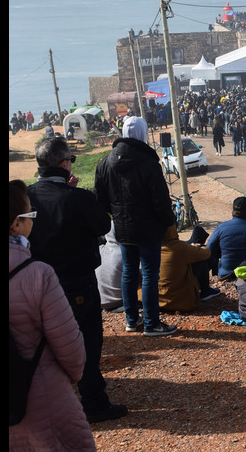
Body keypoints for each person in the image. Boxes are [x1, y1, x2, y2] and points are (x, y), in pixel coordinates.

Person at [28, 137, 128, 422]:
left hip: (36, 282)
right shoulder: (80, 199)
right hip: (77, 282)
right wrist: (76, 196)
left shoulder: (26, 196)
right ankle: (94, 401)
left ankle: (51, 400)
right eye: (70, 159)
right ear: (64, 164)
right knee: (86, 341)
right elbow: (102, 225)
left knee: (44, 342)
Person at [9, 180, 96, 450]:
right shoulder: (37, 274)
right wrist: (69, 379)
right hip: (40, 396)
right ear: (16, 224)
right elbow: (71, 349)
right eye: (30, 215)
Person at [95, 116, 179, 337]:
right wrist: (169, 221)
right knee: (150, 274)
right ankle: (152, 324)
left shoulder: (104, 163)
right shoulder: (149, 164)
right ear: (142, 134)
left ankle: (132, 320)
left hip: (122, 228)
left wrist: (118, 214)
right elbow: (161, 201)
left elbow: (101, 202)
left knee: (129, 272)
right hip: (149, 229)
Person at [158, 223, 212, 311]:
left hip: (154, 298)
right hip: (178, 300)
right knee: (199, 259)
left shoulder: (149, 246)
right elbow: (207, 253)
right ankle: (205, 292)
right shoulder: (180, 248)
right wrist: (196, 247)